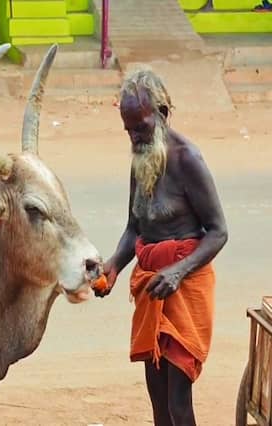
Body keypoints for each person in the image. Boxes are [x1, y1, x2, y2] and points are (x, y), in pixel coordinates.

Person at [97, 67, 228, 426]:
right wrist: (113, 266)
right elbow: (134, 227)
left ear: (163, 113)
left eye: (141, 128)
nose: (135, 138)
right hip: (153, 287)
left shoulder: (188, 159)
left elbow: (218, 232)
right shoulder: (140, 160)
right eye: (129, 130)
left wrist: (177, 272)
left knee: (178, 403)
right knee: (158, 400)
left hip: (185, 286)